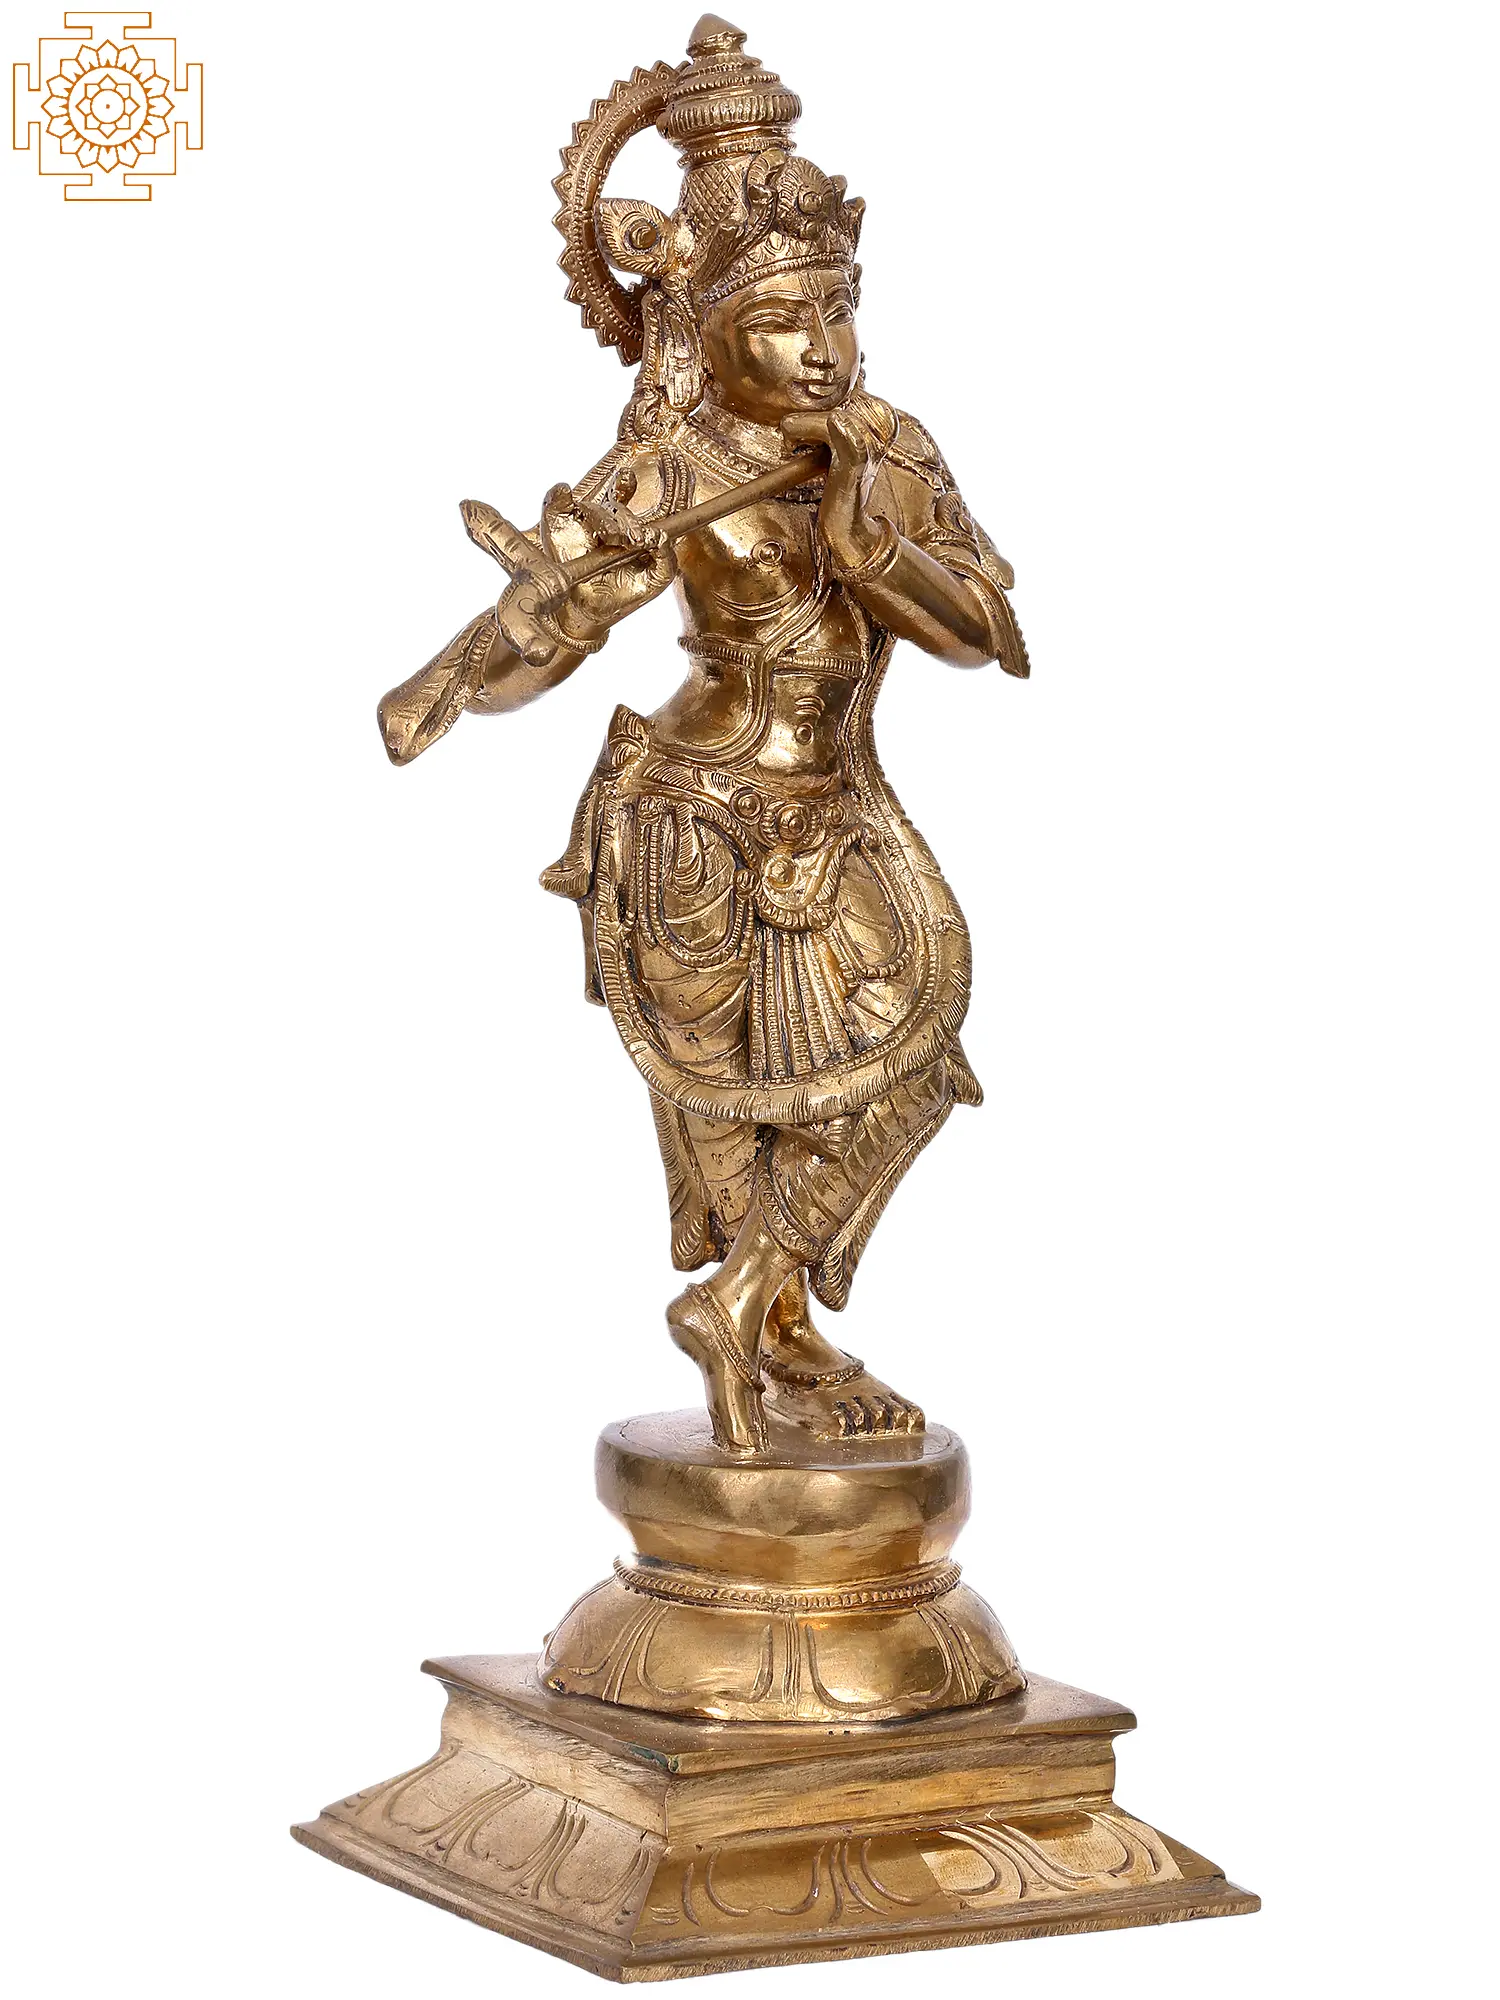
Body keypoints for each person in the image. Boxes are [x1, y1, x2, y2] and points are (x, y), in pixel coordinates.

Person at [378, 19, 1028, 1453]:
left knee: (915, 1054)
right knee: (737, 1108)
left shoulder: (886, 447)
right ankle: (768, 1322)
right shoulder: (668, 468)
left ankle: (742, 1311)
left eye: (839, 311)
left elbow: (988, 631)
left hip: (840, 803)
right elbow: (551, 631)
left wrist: (872, 542)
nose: (822, 349)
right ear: (699, 326)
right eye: (782, 321)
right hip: (696, 814)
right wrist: (474, 665)